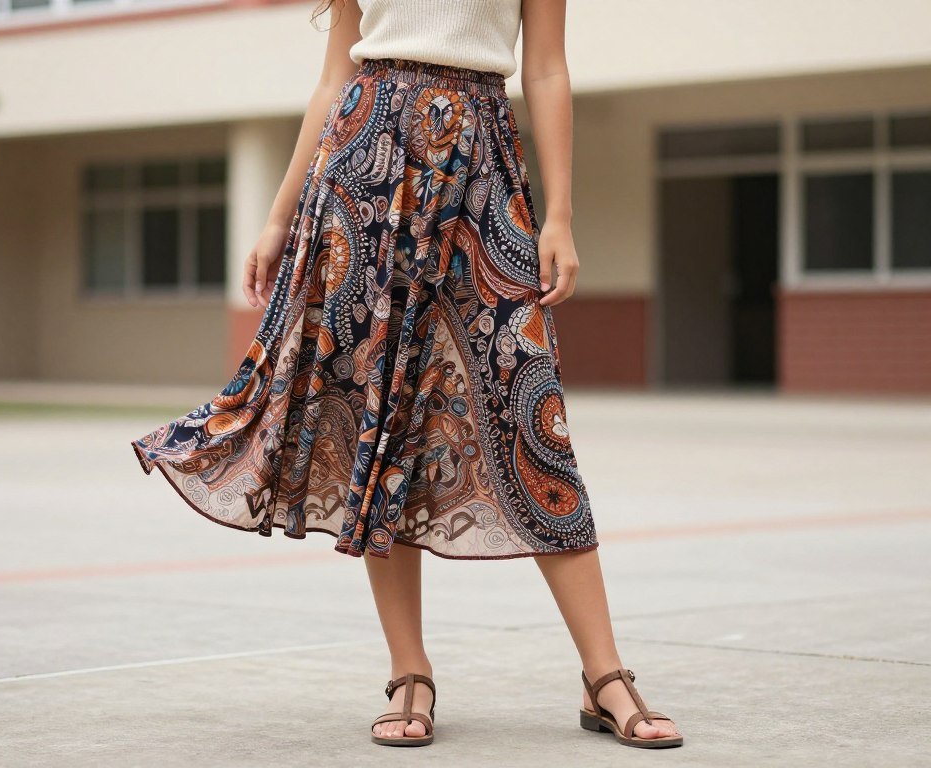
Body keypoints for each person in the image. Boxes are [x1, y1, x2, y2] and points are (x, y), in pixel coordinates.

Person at [131, 0, 682, 750]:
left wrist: (561, 217)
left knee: (529, 411)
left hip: (483, 169)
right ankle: (409, 671)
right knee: (379, 415)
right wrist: (276, 217)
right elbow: (334, 79)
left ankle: (605, 674)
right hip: (363, 169)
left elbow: (548, 67)